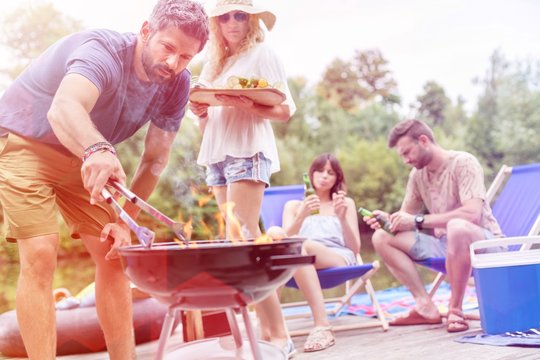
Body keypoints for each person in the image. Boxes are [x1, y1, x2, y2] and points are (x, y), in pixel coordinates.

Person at [0, 1, 209, 358]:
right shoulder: (103, 53)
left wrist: (126, 221)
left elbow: (156, 159)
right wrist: (98, 148)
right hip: (26, 142)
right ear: (146, 31)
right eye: (168, 47)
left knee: (114, 253)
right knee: (40, 251)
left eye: (186, 57)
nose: (173, 63)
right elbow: (64, 108)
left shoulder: (177, 85)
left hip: (87, 157)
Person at [188, 0, 296, 356]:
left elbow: (284, 111)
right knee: (237, 245)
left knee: (244, 243)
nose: (232, 22)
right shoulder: (213, 62)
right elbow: (204, 112)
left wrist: (250, 105)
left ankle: (280, 335)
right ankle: (262, 332)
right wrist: (199, 109)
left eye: (240, 15)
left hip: (248, 149)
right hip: (216, 153)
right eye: (225, 16)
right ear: (216, 23)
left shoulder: (264, 54)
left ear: (251, 20)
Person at [362, 119, 503, 333]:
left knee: (457, 225)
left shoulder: (464, 162)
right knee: (381, 236)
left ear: (424, 140)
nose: (405, 160)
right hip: (445, 246)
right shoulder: (418, 175)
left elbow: (472, 214)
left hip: (485, 248)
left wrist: (418, 221)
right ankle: (425, 306)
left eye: (407, 152)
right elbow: (405, 219)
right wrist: (388, 220)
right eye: (402, 155)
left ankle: (455, 309)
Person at [280, 153, 361, 351]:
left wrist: (341, 218)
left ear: (337, 179)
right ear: (311, 174)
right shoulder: (294, 206)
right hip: (302, 258)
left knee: (299, 246)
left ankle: (321, 325)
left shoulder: (344, 203)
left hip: (337, 256)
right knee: (291, 245)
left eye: (330, 172)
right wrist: (302, 216)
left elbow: (355, 248)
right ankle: (275, 328)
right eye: (320, 170)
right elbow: (282, 241)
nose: (324, 176)